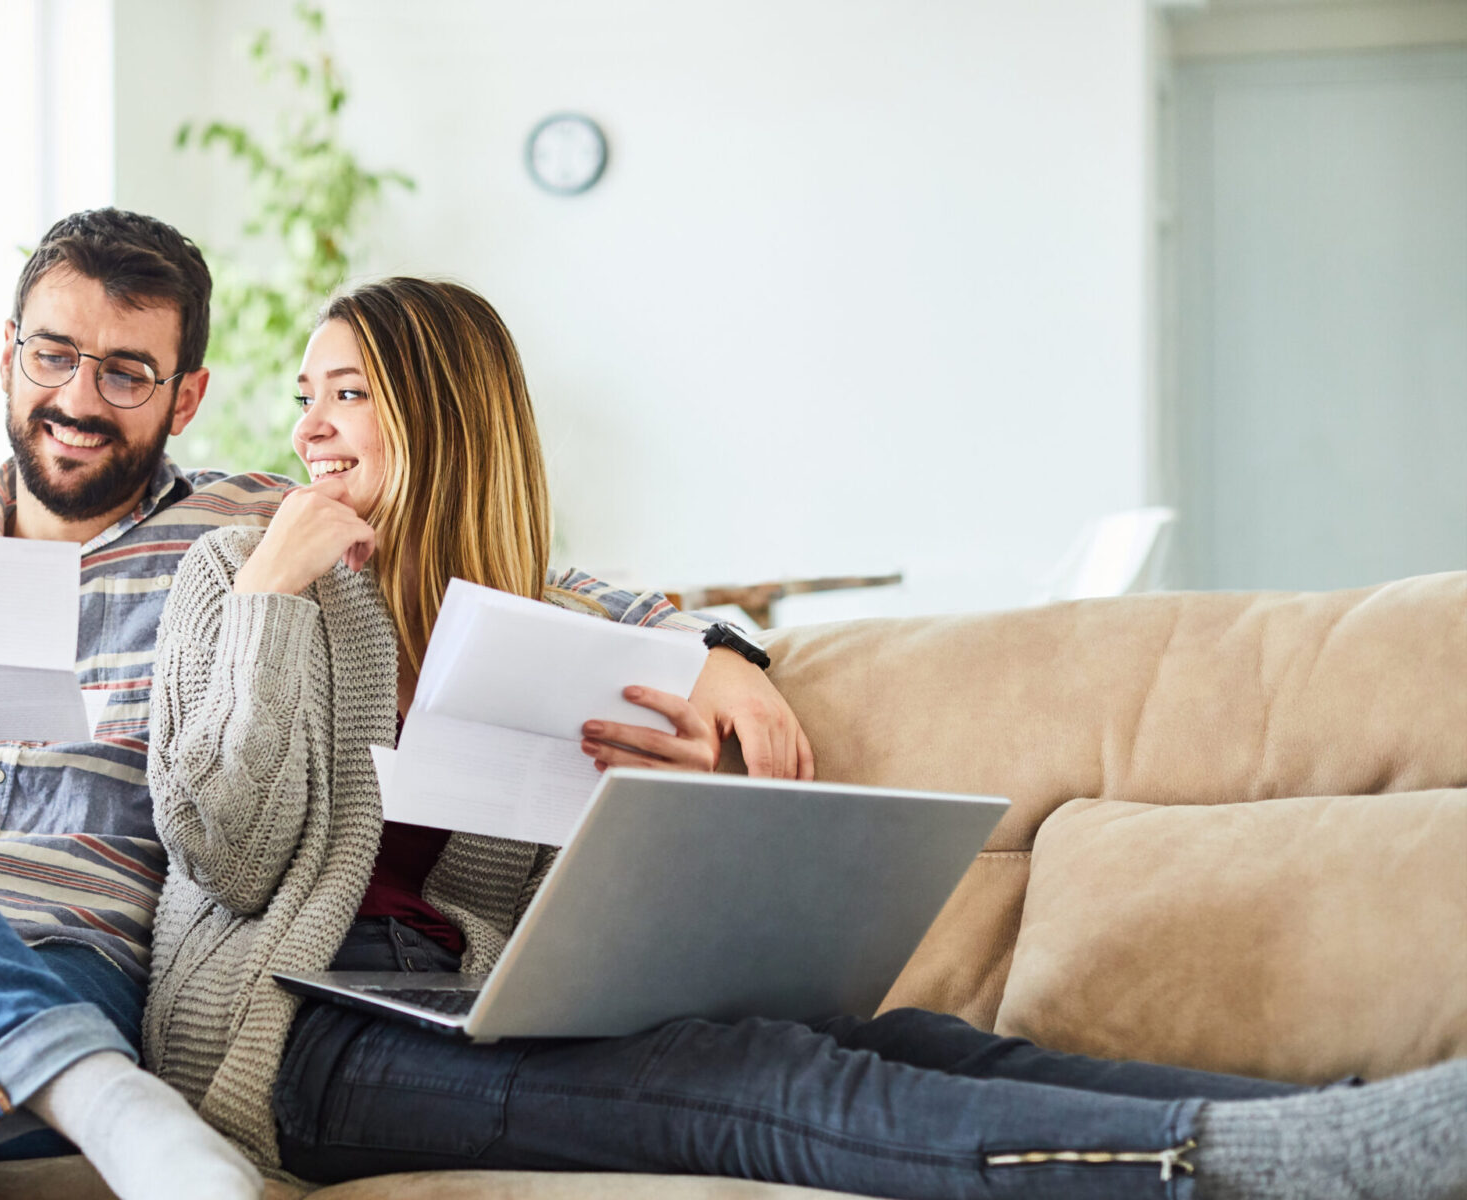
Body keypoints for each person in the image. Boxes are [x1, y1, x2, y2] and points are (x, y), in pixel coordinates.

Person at [142, 276, 1467, 1200]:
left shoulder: (530, 610)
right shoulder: (238, 578)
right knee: (766, 1080)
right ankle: (1253, 1170)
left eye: (347, 395)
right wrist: (270, 604)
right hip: (305, 1038)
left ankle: (1335, 1117)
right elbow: (230, 854)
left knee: (912, 1040)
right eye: (302, 395)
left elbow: (643, 621)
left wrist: (685, 733)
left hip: (477, 995)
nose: (307, 428)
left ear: (443, 412)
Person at [0, 215, 808, 1199]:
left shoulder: (251, 529)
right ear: (6, 357)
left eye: (125, 371)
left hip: (68, 954)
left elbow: (468, 543)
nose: (77, 397)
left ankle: (57, 1053)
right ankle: (80, 1083)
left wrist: (711, 648)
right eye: (52, 354)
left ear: (187, 394)